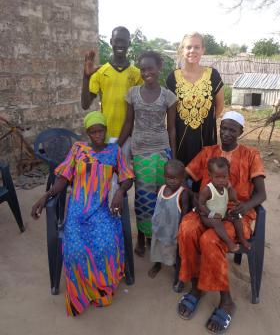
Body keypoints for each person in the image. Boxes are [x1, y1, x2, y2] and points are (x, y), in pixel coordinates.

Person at [31, 111, 134, 317]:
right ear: (87, 133)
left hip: (103, 208)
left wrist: (120, 192)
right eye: (93, 131)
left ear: (105, 130)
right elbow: (63, 178)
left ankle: (101, 289)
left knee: (106, 245)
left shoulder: (114, 151)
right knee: (75, 250)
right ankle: (82, 292)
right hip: (78, 208)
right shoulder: (78, 149)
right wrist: (46, 196)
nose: (97, 135)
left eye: (101, 130)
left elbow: (127, 177)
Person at [177, 111, 266, 334]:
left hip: (237, 214)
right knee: (187, 229)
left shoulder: (250, 155)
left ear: (240, 132)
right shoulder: (209, 152)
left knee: (210, 239)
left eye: (231, 130)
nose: (225, 133)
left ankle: (226, 301)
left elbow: (261, 194)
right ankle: (198, 286)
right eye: (223, 128)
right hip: (209, 210)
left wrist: (245, 207)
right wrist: (192, 196)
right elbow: (186, 176)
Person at [118, 50, 177, 257]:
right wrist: (116, 147)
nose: (146, 72)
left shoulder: (168, 96)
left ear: (159, 68)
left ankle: (157, 239)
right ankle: (142, 237)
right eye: (143, 69)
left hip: (161, 152)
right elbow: (128, 123)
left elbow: (171, 129)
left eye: (150, 68)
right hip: (140, 152)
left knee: (161, 199)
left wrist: (174, 159)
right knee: (143, 199)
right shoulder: (133, 93)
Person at [166, 32, 224, 170]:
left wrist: (206, 122)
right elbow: (169, 113)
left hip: (206, 139)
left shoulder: (212, 75)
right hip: (180, 142)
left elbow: (219, 107)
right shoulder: (173, 77)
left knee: (204, 180)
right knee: (181, 182)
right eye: (188, 47)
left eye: (197, 47)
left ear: (203, 50)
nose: (192, 51)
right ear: (182, 50)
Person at [81, 26, 143, 142]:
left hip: (128, 135)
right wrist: (86, 77)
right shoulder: (100, 71)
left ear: (129, 43)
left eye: (123, 41)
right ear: (111, 42)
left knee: (124, 161)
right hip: (106, 135)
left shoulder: (137, 74)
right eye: (117, 41)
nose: (120, 44)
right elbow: (85, 105)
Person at [148, 159, 192, 285]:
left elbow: (184, 215)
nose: (171, 181)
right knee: (157, 247)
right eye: (168, 178)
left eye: (175, 178)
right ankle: (157, 264)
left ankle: (176, 271)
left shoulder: (182, 194)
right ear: (164, 176)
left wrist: (180, 231)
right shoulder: (161, 189)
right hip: (159, 227)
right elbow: (158, 206)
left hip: (173, 231)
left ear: (182, 178)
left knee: (174, 252)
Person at [198, 157, 251, 253]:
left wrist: (231, 189)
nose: (221, 180)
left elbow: (233, 197)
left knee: (236, 217)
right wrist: (211, 214)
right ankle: (229, 242)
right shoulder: (208, 190)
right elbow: (201, 204)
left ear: (228, 176)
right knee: (217, 221)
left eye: (224, 177)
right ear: (210, 176)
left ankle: (241, 238)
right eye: (217, 177)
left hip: (222, 213)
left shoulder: (225, 187)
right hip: (208, 217)